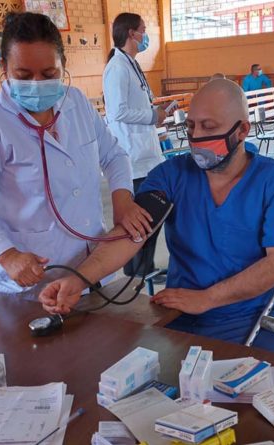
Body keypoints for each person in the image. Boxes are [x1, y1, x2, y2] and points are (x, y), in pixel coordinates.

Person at [39, 79, 274, 360]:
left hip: (255, 319)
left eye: (209, 127)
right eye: (190, 126)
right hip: (183, 318)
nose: (196, 138)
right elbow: (129, 236)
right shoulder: (171, 175)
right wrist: (78, 280)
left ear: (243, 130)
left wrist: (207, 298)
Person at [0, 12, 150, 297]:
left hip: (94, 269)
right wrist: (7, 256)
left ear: (63, 65)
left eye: (49, 74)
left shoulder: (77, 103)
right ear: (4, 67)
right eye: (23, 75)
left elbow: (114, 154)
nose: (36, 83)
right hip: (30, 283)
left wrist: (122, 198)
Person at [103, 12, 167, 277]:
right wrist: (152, 116)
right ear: (131, 33)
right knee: (143, 218)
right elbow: (117, 111)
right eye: (143, 30)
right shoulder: (117, 67)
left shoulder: (130, 64)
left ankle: (145, 266)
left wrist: (155, 116)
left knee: (153, 215)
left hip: (147, 154)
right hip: (134, 159)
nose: (145, 36)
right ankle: (136, 269)